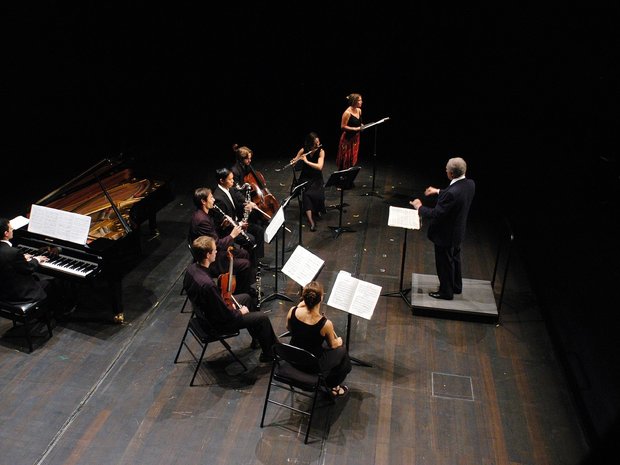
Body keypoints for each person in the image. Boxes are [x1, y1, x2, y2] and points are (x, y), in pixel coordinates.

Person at [184, 236, 278, 362]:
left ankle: (258, 339)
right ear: (207, 255)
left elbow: (214, 304)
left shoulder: (191, 269)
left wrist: (230, 306)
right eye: (214, 249)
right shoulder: (208, 285)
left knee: (246, 298)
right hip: (214, 324)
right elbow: (224, 315)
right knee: (262, 318)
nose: (217, 251)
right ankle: (269, 354)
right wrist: (239, 312)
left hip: (203, 314)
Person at [410, 157, 476, 300]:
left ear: (451, 174)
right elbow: (455, 193)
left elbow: (436, 214)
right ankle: (456, 286)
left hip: (446, 235)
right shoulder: (470, 184)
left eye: (447, 170)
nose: (445, 171)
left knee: (445, 263)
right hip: (458, 232)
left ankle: (446, 292)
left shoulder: (452, 193)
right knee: (455, 259)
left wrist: (419, 207)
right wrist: (439, 191)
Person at [286, 281, 352, 398]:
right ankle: (333, 384)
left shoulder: (293, 311)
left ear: (303, 298)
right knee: (342, 351)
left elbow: (290, 329)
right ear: (321, 298)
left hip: (293, 359)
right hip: (312, 365)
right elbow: (332, 345)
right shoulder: (325, 324)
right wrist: (339, 341)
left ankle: (332, 384)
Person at [188, 187, 254, 295]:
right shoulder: (202, 220)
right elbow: (217, 245)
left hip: (213, 251)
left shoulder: (204, 214)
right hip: (209, 259)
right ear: (203, 201)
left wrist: (222, 226)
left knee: (244, 253)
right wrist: (232, 235)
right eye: (211, 197)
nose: (214, 200)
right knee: (245, 264)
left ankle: (242, 287)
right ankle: (241, 295)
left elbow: (212, 235)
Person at [212, 167, 265, 262]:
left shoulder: (230, 189)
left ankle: (257, 260)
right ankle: (251, 264)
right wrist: (239, 224)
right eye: (230, 179)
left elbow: (238, 204)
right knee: (251, 239)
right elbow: (223, 222)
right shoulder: (218, 198)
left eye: (233, 178)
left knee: (259, 230)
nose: (233, 181)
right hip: (230, 229)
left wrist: (246, 206)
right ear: (221, 180)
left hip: (238, 223)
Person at [289, 132, 326, 232]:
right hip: (305, 177)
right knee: (306, 193)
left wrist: (306, 161)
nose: (317, 145)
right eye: (315, 143)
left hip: (317, 177)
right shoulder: (303, 150)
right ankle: (311, 221)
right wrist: (294, 162)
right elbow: (295, 162)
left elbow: (319, 167)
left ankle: (317, 209)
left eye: (318, 142)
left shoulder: (321, 151)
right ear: (310, 144)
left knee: (317, 192)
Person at [336, 93, 363, 171]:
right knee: (345, 159)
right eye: (359, 100)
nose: (361, 102)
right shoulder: (347, 113)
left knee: (352, 158)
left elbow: (358, 122)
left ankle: (349, 176)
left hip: (355, 138)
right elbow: (343, 126)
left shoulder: (359, 111)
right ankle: (342, 176)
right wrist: (355, 129)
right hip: (347, 139)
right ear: (354, 101)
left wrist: (361, 125)